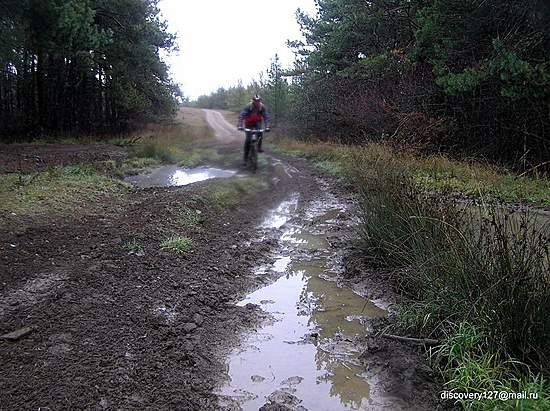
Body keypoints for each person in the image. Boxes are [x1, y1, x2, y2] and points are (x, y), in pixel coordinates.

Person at [237, 95, 270, 165]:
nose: (257, 102)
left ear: (260, 101)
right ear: (253, 101)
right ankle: (245, 158)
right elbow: (242, 115)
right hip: (248, 123)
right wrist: (240, 125)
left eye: (258, 101)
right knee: (248, 140)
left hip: (257, 122)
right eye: (255, 101)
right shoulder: (248, 106)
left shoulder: (262, 107)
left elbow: (266, 116)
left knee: (260, 134)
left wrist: (267, 127)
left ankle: (258, 148)